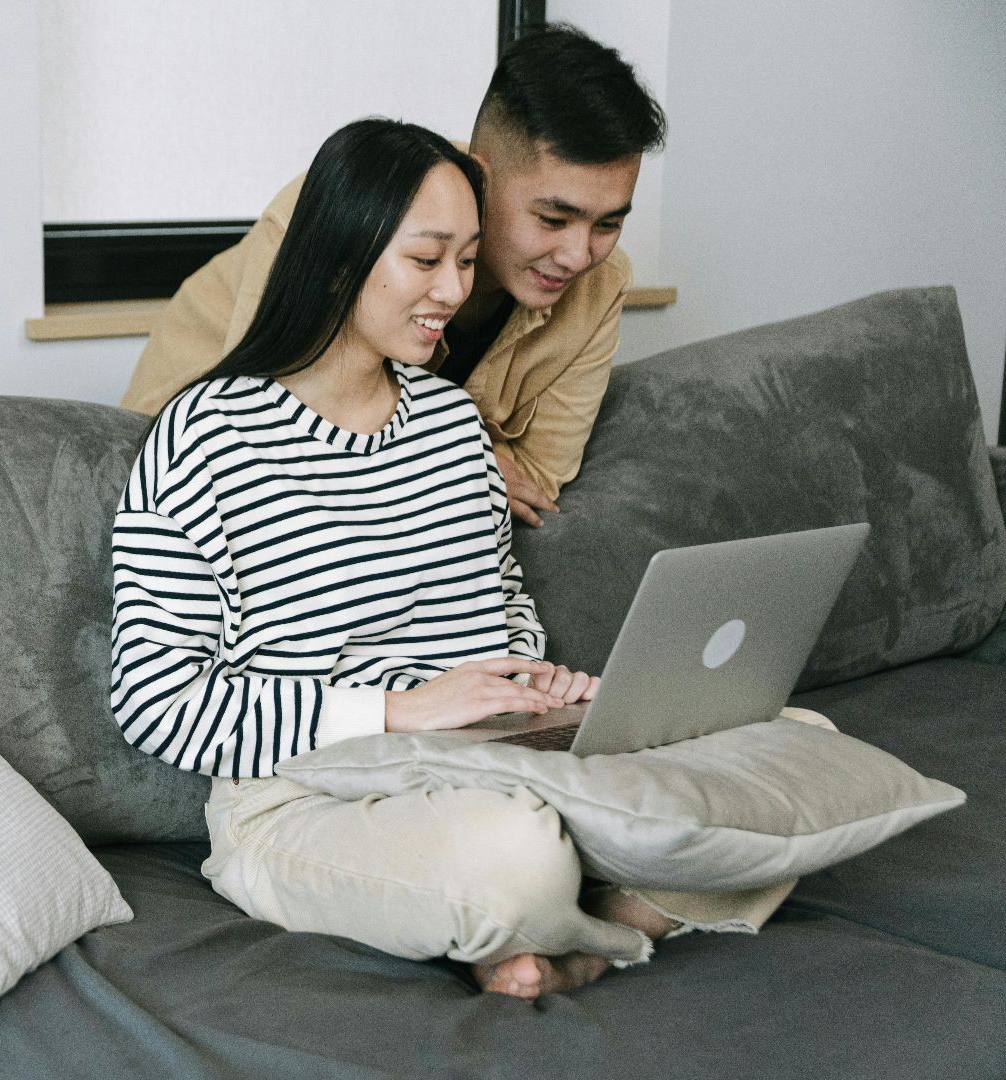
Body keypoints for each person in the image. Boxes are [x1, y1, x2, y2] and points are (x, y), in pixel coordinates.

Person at [110, 118, 808, 1000]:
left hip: (489, 759)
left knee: (785, 750)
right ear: (337, 260)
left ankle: (566, 947)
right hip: (303, 797)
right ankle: (585, 913)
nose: (453, 290)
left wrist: (533, 681)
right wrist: (398, 711)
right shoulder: (204, 436)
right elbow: (156, 703)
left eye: (469, 260)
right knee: (513, 856)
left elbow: (502, 600)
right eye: (426, 258)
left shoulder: (450, 425)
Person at [119, 23, 664, 528]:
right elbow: (266, 447)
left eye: (609, 223)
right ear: (480, 177)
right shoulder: (334, 216)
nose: (577, 254)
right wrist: (468, 455)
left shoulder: (601, 282)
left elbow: (535, 484)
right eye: (552, 219)